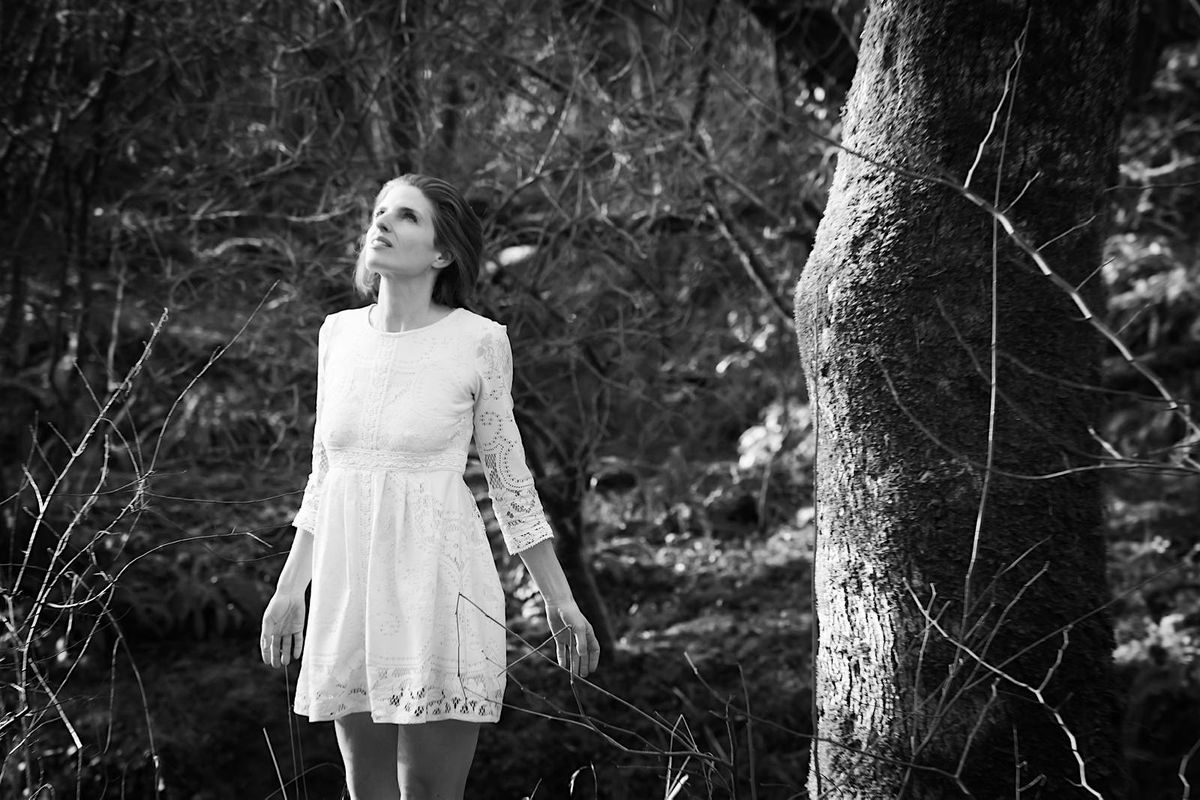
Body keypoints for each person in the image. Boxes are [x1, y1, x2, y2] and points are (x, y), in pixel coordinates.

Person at [259, 174, 601, 800]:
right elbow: (325, 475)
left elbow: (511, 483)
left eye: (406, 217)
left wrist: (559, 598)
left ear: (442, 253)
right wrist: (289, 590)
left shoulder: (478, 341)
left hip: (441, 589)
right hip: (350, 588)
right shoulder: (337, 335)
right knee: (366, 791)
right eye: (380, 211)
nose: (382, 223)